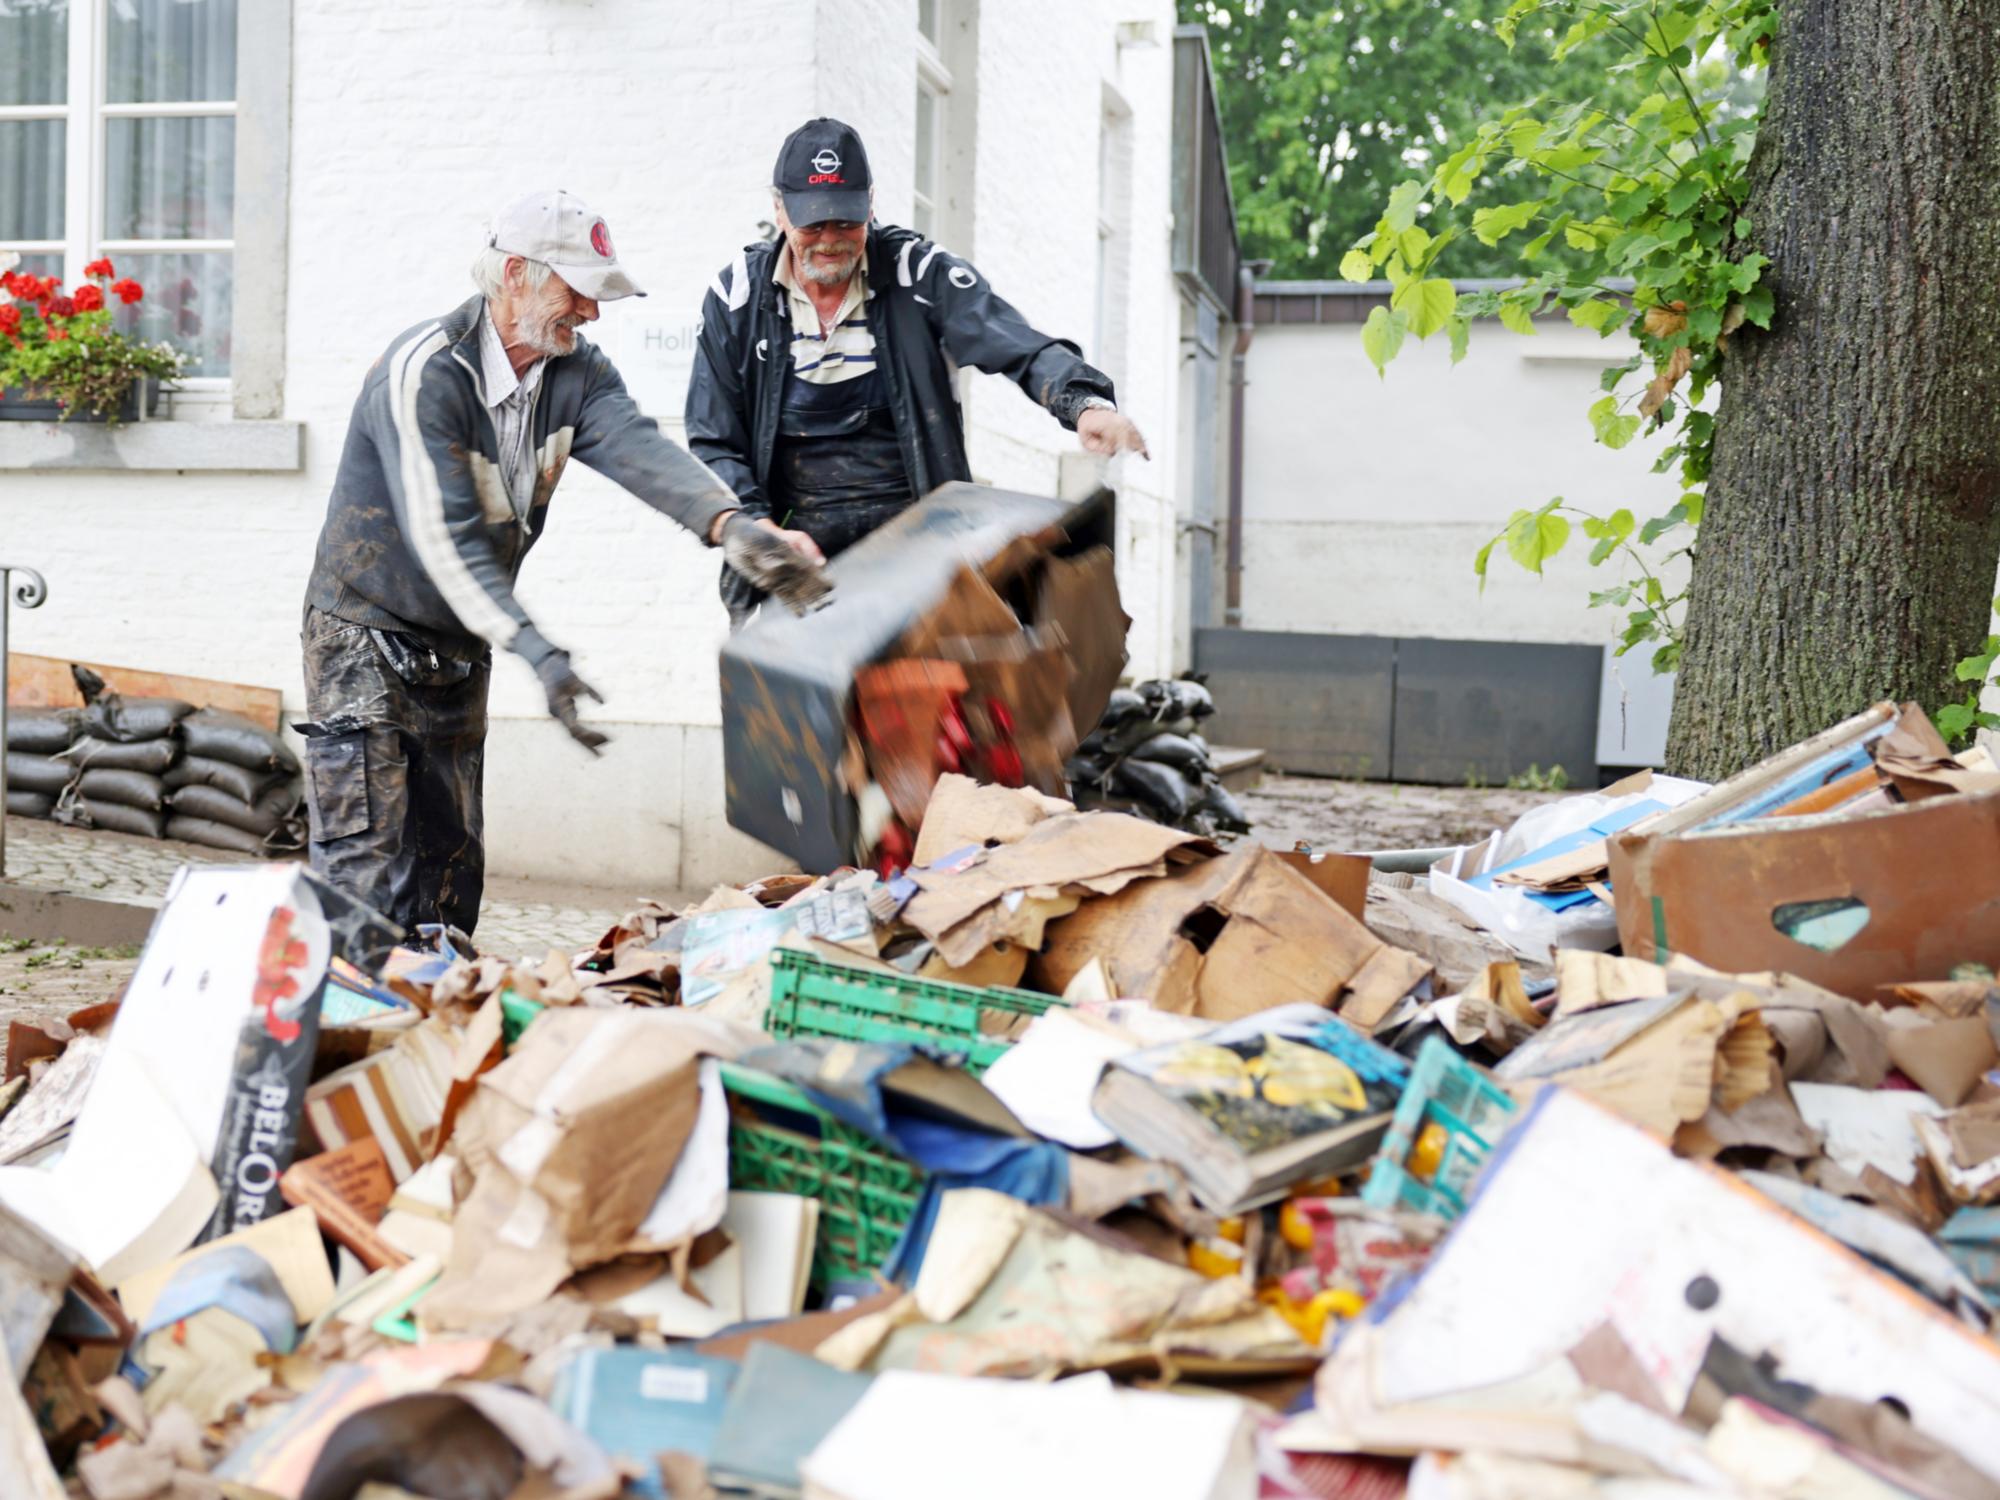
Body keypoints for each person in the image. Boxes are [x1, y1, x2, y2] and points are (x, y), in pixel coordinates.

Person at [299, 189, 826, 936]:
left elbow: (642, 452)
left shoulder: (575, 372)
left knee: (448, 867)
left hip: (459, 638)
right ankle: (352, 1031)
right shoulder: (425, 374)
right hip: (363, 630)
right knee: (368, 867)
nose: (591, 312)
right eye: (578, 291)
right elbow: (444, 543)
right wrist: (537, 650)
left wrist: (737, 530)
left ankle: (439, 1030)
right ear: (514, 274)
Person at [687, 118, 1149, 627]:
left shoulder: (921, 273)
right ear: (779, 211)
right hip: (794, 546)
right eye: (812, 224)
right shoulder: (737, 298)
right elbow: (714, 436)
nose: (831, 241)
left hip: (916, 540)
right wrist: (757, 526)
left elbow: (1015, 342)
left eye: (845, 222)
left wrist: (1083, 404)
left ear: (870, 205)